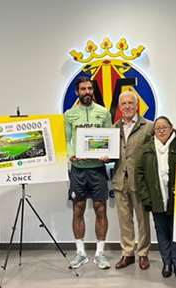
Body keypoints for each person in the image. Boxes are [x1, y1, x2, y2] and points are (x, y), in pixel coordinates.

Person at [64, 76, 112, 269]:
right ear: (77, 92)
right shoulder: (69, 114)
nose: (87, 92)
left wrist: (108, 153)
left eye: (89, 89)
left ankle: (100, 253)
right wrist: (71, 155)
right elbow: (67, 139)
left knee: (101, 210)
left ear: (93, 91)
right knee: (78, 211)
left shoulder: (103, 112)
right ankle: (80, 253)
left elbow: (110, 138)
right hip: (78, 170)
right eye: (83, 89)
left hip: (98, 169)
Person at [135, 116, 176, 278]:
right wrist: (145, 196)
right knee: (162, 231)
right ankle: (167, 263)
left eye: (164, 127)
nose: (161, 131)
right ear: (154, 131)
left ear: (171, 127)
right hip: (156, 199)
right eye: (158, 128)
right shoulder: (147, 148)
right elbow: (139, 173)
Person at [112, 91, 153, 270]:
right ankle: (127, 253)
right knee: (124, 220)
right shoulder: (114, 128)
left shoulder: (148, 126)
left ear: (137, 106)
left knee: (143, 219)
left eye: (130, 103)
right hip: (120, 180)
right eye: (124, 104)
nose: (127, 106)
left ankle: (143, 253)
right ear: (119, 107)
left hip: (140, 181)